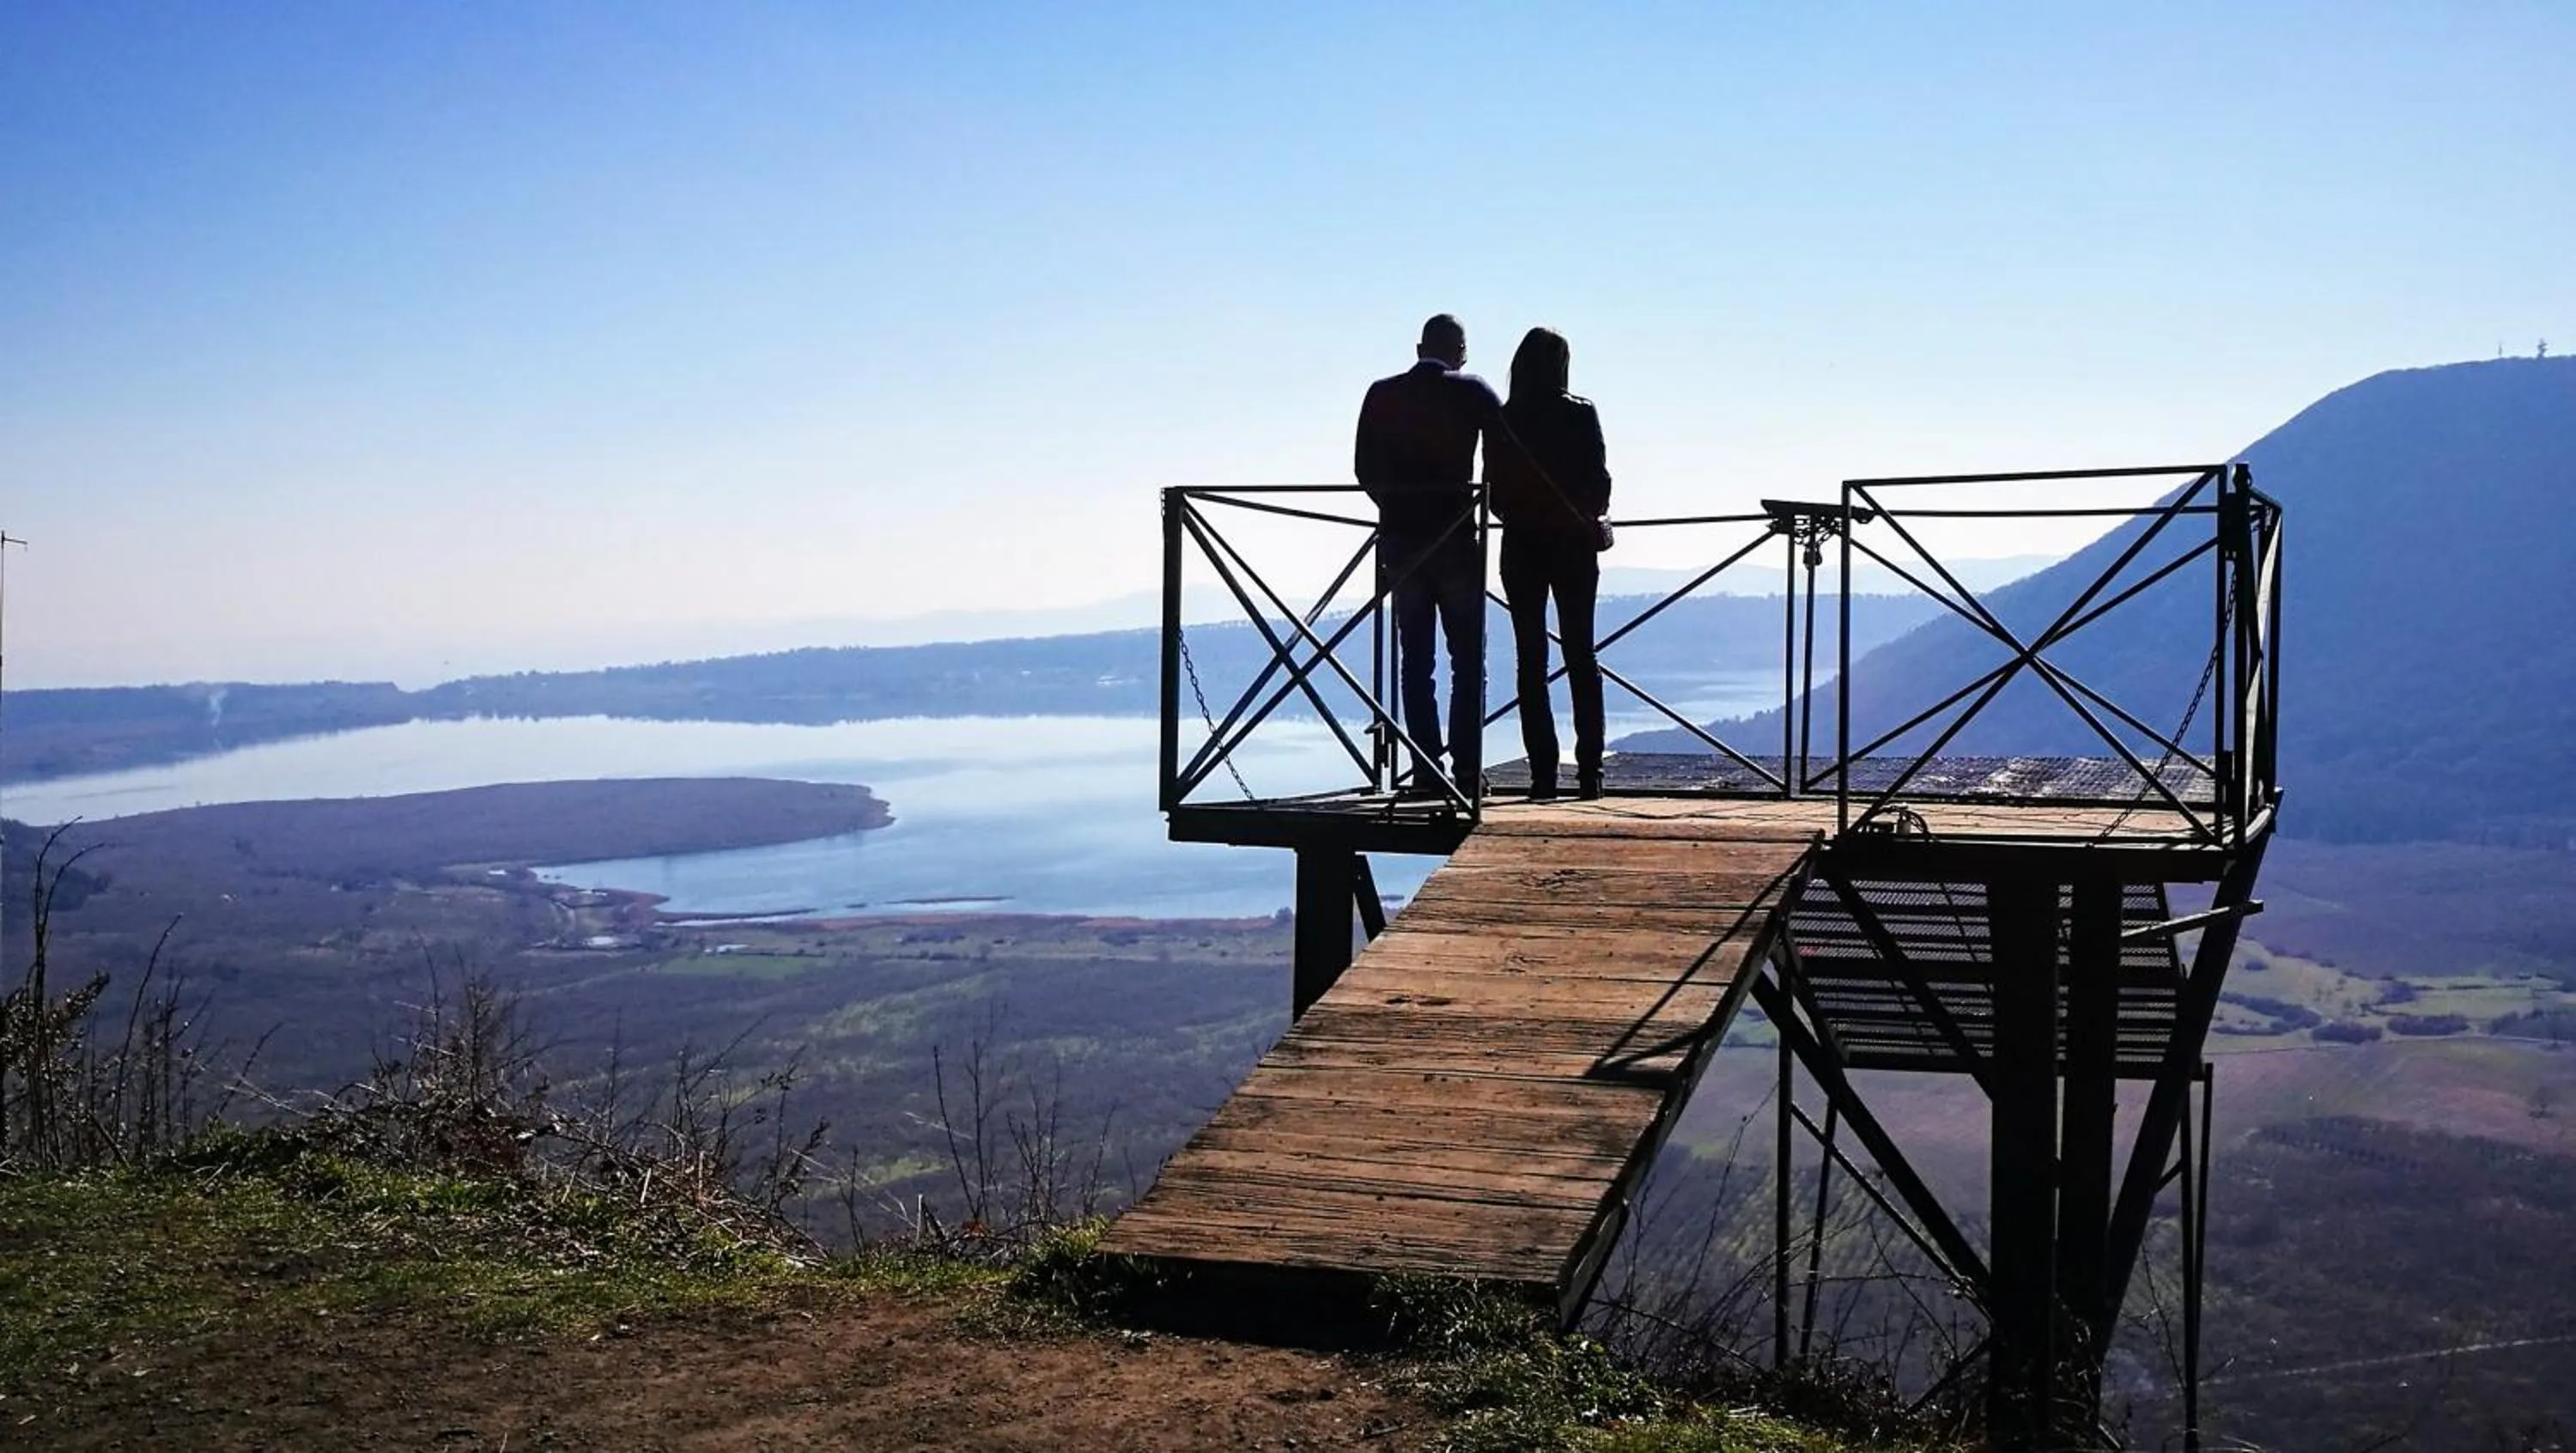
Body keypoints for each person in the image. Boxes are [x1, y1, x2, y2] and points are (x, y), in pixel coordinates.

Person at [1354, 313, 1500, 798]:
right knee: (1467, 662)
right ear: (1461, 351)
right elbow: (1507, 451)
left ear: (1419, 348)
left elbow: (1362, 468)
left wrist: (1395, 505)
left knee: (1415, 661)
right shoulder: (1472, 391)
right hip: (1456, 537)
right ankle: (1466, 773)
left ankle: (1425, 773)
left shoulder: (1381, 393)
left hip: (1401, 541)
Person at [1486, 326, 1610, 800]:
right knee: (1581, 655)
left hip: (1521, 546)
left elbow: (1492, 493)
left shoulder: (1505, 419)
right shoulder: (1580, 413)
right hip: (1573, 547)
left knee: (1530, 659)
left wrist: (1526, 513)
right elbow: (1599, 484)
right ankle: (1590, 772)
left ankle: (1542, 774)